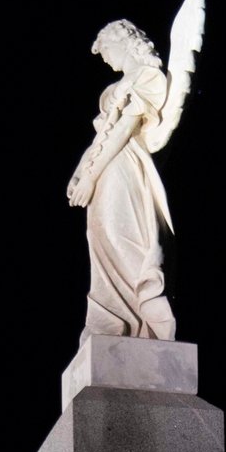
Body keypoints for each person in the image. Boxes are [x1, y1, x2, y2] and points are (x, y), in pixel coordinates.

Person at [67, 18, 177, 342]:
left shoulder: (146, 78)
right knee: (99, 236)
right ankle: (109, 319)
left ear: (124, 41)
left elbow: (124, 132)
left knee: (122, 235)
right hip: (105, 169)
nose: (107, 60)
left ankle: (143, 319)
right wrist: (80, 173)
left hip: (123, 168)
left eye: (107, 52)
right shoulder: (113, 91)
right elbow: (102, 136)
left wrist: (93, 175)